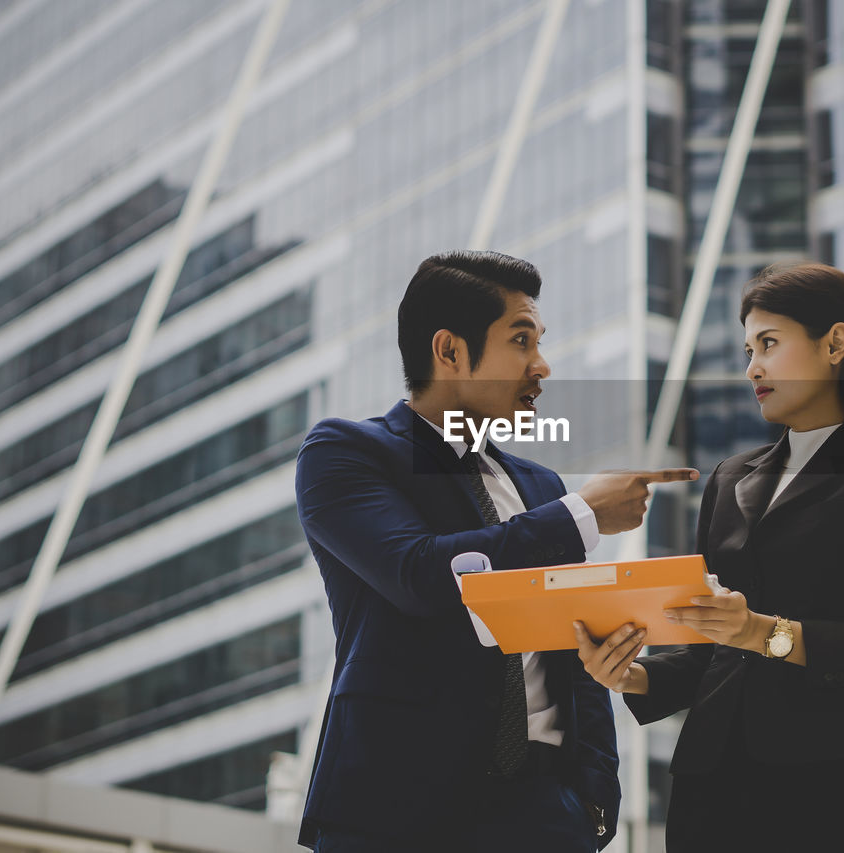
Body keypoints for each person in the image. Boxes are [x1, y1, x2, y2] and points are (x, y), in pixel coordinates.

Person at [295, 250, 698, 851]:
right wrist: (586, 512)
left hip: (546, 816)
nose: (542, 366)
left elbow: (573, 645)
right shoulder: (345, 453)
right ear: (450, 351)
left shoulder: (539, 487)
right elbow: (420, 573)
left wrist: (591, 802)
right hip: (396, 814)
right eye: (521, 340)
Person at [574, 262, 844, 851]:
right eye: (748, 349)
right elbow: (711, 646)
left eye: (769, 345)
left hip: (825, 790)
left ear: (835, 343)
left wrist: (764, 633)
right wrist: (633, 673)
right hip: (708, 791)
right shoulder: (731, 479)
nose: (752, 366)